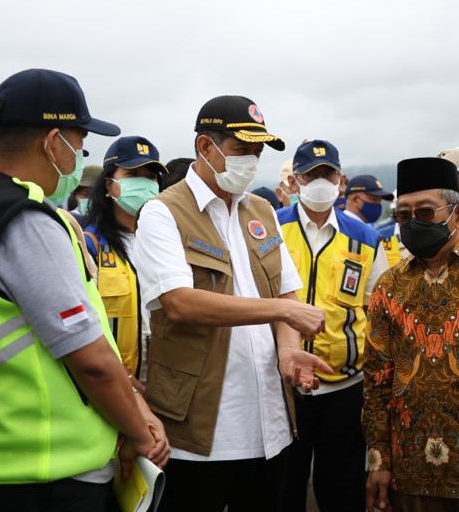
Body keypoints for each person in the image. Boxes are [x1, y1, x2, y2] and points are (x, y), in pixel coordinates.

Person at [0, 68, 169, 512]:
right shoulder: (24, 219)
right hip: (51, 474)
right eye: (80, 143)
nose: (80, 155)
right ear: (52, 140)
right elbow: (90, 358)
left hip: (3, 458)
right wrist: (138, 432)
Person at [133, 95, 330, 512]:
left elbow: (284, 290)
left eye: (257, 153)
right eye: (242, 151)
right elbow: (180, 303)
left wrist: (290, 352)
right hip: (201, 431)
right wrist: (282, 312)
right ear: (206, 147)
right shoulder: (162, 212)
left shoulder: (260, 210)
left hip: (269, 425)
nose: (251, 162)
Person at [363, 157, 459, 512]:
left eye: (425, 213)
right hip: (409, 471)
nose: (412, 222)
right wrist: (377, 461)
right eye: (404, 215)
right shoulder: (389, 285)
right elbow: (376, 381)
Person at [276, 140, 388, 512]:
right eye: (311, 174)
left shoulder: (365, 238)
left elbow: (376, 308)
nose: (319, 181)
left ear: (341, 181)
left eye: (327, 174)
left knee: (341, 487)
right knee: (283, 485)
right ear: (295, 181)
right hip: (284, 384)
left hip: (344, 384)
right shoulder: (270, 228)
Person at [80, 135, 168, 383]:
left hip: (165, 383)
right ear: (109, 186)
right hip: (112, 383)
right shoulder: (90, 245)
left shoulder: (169, 242)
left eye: (150, 176)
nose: (144, 183)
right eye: (133, 175)